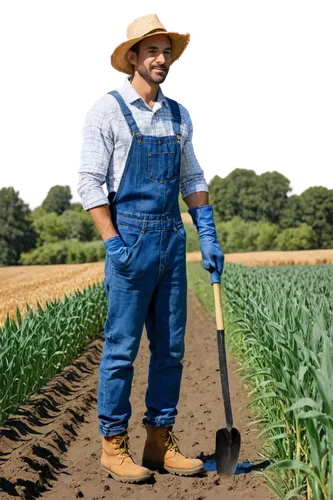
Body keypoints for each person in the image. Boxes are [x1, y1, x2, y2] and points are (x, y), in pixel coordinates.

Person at [75, 11, 224, 484]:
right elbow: (87, 180)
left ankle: (159, 441)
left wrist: (208, 231)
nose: (161, 59)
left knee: (171, 350)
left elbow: (193, 177)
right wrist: (113, 243)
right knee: (121, 350)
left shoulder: (179, 112)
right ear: (133, 57)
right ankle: (112, 445)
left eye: (167, 51)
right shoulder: (107, 109)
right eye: (152, 51)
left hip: (172, 243)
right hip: (130, 243)